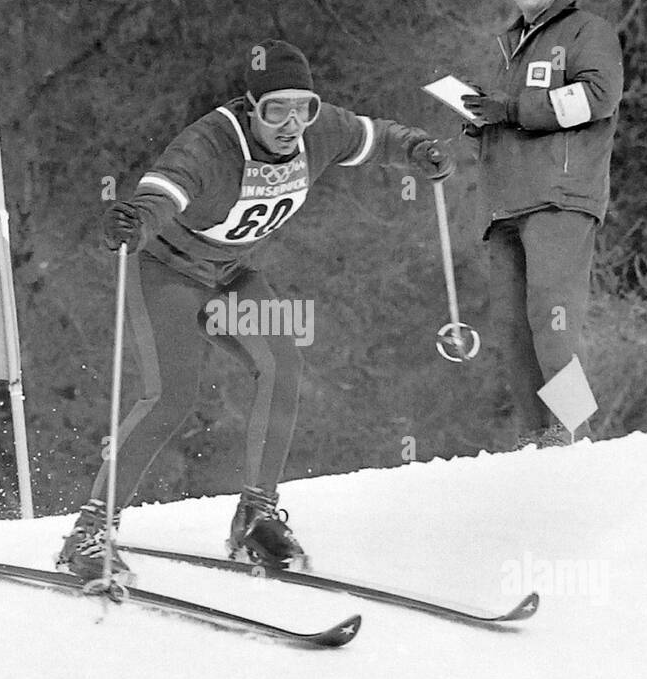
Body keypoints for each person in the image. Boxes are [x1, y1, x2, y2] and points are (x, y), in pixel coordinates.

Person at [58, 39, 455, 580]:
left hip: (231, 277)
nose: (292, 123)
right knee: (172, 397)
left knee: (281, 365)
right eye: (276, 109)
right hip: (169, 274)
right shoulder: (211, 144)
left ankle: (255, 515)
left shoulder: (318, 133)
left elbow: (376, 136)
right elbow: (161, 194)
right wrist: (131, 221)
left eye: (304, 108)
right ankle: (90, 531)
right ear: (250, 106)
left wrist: (418, 150)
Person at [460, 0, 624, 447]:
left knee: (552, 321)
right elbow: (514, 114)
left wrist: (511, 109)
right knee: (511, 330)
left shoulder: (586, 31)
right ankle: (537, 439)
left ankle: (574, 430)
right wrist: (487, 118)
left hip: (560, 196)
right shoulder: (509, 44)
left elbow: (596, 98)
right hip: (505, 203)